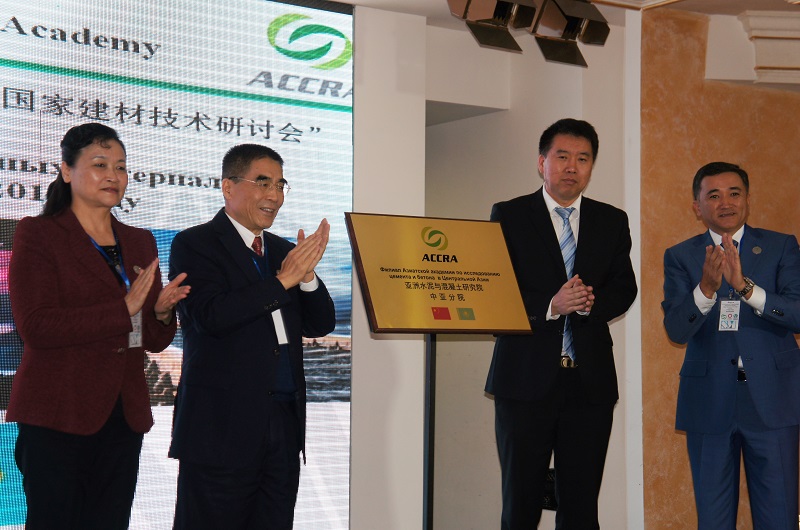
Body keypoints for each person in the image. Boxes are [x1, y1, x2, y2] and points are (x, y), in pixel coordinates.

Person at [7, 123, 190, 529]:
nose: (113, 175)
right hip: (58, 414)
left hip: (123, 415)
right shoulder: (39, 234)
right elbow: (36, 325)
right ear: (66, 170)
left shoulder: (139, 241)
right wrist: (123, 308)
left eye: (121, 167)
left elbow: (150, 339)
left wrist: (161, 313)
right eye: (100, 164)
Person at [168, 143, 336, 529]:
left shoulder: (283, 251)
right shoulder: (195, 244)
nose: (274, 195)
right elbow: (210, 316)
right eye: (263, 183)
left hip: (282, 423)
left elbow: (320, 324)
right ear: (228, 186)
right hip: (221, 428)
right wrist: (283, 281)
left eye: (280, 185)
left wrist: (306, 275)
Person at [486, 118, 637, 529]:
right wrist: (551, 305)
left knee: (581, 507)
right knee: (521, 505)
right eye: (563, 156)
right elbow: (494, 292)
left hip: (589, 383)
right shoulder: (510, 215)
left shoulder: (611, 220)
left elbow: (624, 287)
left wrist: (589, 304)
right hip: (524, 381)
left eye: (583, 159)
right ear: (542, 163)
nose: (572, 167)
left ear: (591, 167)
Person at [662, 161, 800, 529]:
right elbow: (675, 329)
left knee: (779, 517)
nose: (726, 202)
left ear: (747, 200)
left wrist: (745, 288)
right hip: (709, 401)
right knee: (713, 519)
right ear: (697, 207)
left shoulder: (781, 246)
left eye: (734, 193)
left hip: (773, 399)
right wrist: (705, 289)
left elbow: (797, 313)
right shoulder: (680, 256)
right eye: (714, 195)